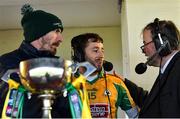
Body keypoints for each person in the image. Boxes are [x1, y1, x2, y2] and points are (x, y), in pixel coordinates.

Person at [0, 4, 72, 118]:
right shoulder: (5, 63)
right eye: (56, 31)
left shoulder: (59, 66)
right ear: (38, 33)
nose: (60, 39)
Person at [71, 33, 139, 118]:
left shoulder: (116, 83)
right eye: (95, 51)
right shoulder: (67, 84)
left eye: (102, 50)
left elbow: (135, 116)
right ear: (79, 55)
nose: (101, 55)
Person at [124, 18, 180, 117]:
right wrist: (124, 82)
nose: (143, 50)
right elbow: (152, 103)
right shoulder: (167, 70)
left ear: (161, 43)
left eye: (145, 43)